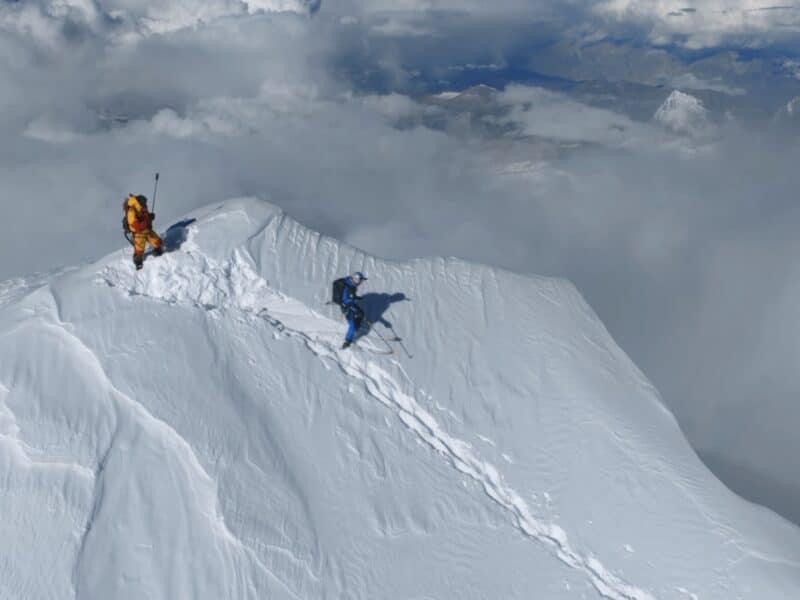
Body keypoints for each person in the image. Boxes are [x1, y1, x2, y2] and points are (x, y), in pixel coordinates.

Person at [123, 194, 163, 270]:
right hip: (138, 233)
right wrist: (148, 220)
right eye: (144, 203)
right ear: (139, 202)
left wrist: (150, 216)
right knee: (139, 249)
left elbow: (146, 216)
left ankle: (158, 250)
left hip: (147, 229)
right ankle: (138, 261)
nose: (146, 204)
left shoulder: (142, 207)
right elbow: (136, 225)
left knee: (157, 241)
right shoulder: (131, 211)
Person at [340, 272, 367, 349]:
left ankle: (356, 327)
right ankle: (347, 342)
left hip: (351, 304)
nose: (361, 282)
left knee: (361, 313)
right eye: (360, 281)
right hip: (347, 307)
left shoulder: (352, 285)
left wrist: (356, 298)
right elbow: (345, 299)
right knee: (352, 325)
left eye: (361, 281)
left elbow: (350, 296)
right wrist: (355, 308)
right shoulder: (348, 286)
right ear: (356, 279)